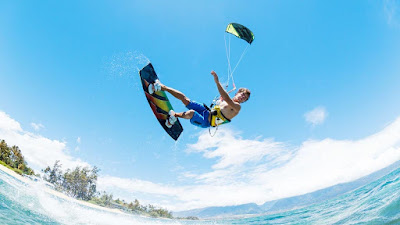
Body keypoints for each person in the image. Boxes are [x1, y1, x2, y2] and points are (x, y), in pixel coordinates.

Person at [149, 71, 250, 128]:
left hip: (206, 121)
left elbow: (225, 96)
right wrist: (221, 99)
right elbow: (223, 98)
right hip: (206, 111)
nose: (242, 97)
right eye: (242, 94)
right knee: (186, 99)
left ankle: (173, 117)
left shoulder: (237, 107)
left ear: (243, 101)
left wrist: (217, 82)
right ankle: (161, 87)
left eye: (244, 98)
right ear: (237, 93)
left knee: (192, 112)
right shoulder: (226, 101)